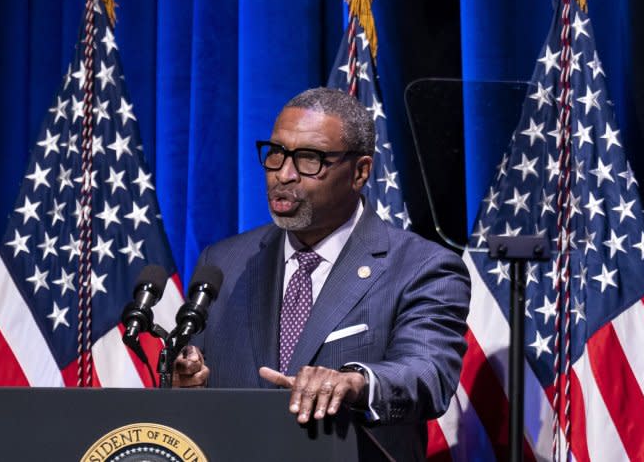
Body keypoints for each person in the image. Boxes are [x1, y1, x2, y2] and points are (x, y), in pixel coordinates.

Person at [174, 87, 471, 461]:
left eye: (309, 159)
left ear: (360, 171)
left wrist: (355, 382)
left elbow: (428, 373)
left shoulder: (422, 267)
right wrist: (186, 384)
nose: (283, 174)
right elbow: (193, 380)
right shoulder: (223, 261)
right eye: (277, 153)